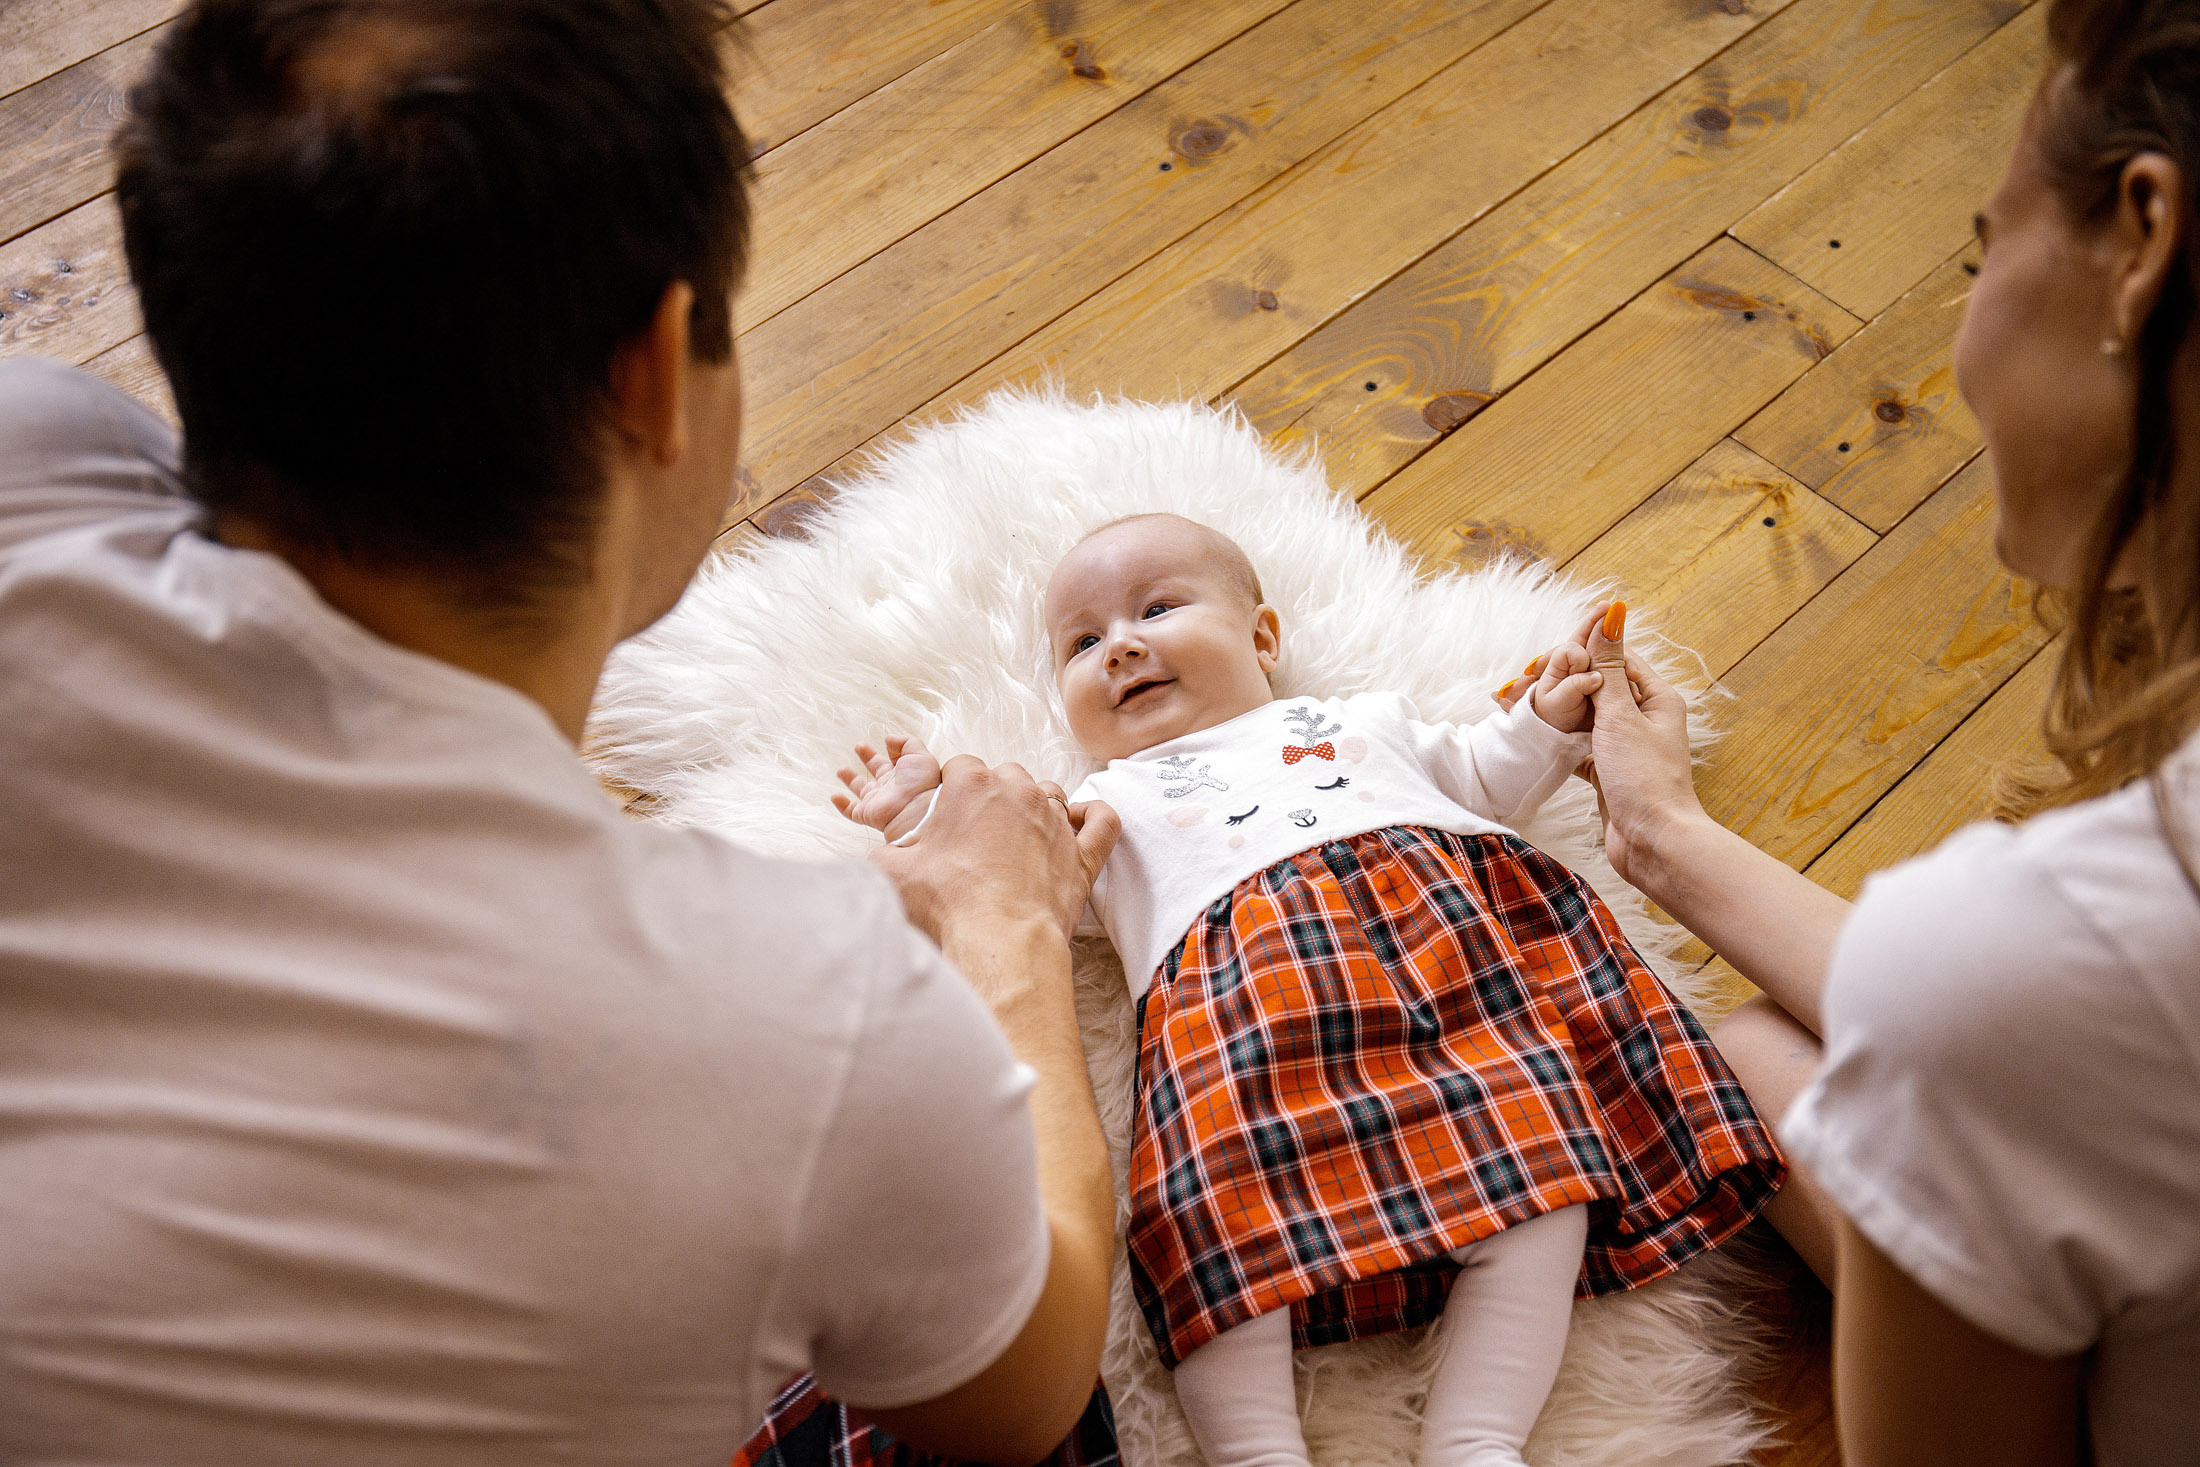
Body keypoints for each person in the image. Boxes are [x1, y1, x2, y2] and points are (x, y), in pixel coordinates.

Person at [0, 2, 1122, 1463]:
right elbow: (1014, 1399)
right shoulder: (804, 1022)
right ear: (656, 368)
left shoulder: (30, 459)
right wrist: (1008, 924)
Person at [1551, 1, 2200, 1462]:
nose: (1966, 329)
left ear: (2142, 242)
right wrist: (1663, 836)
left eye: (1983, 253)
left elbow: (2016, 1011)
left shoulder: (2048, 951)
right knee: (1773, 1048)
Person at [833, 513, 1785, 1467]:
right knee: (1215, 1234)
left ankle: (1479, 1433)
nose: (1120, 644)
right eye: (1083, 643)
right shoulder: (1103, 806)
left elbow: (1488, 773)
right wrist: (914, 811)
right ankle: (1256, 1450)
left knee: (1546, 1191)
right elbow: (1001, 878)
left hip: (1448, 1005)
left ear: (1262, 638)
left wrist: (1547, 713)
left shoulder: (1364, 720)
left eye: (1157, 608)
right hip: (1243, 1045)